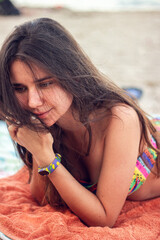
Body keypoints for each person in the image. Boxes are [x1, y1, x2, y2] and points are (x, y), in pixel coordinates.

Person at [0, 18, 160, 228]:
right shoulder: (45, 117)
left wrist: (49, 160)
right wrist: (39, 149)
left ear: (71, 75)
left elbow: (104, 218)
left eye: (45, 84)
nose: (32, 101)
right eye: (20, 88)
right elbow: (41, 197)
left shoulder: (118, 120)